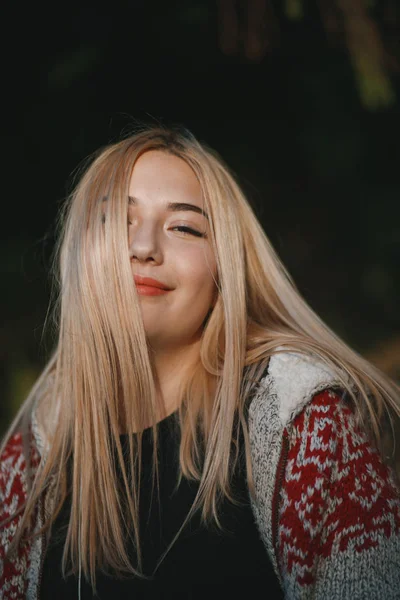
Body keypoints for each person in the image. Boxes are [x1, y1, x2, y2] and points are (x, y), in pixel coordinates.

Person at [1, 124, 400, 600]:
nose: (144, 247)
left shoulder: (307, 426)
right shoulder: (30, 459)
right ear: (78, 254)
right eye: (115, 220)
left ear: (224, 267)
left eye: (185, 227)